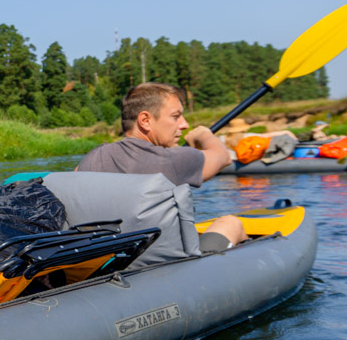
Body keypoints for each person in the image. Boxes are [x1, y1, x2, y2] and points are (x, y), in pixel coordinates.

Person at [76, 82, 246, 252]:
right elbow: (223, 157)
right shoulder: (173, 159)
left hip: (112, 262)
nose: (184, 124)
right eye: (175, 116)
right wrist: (204, 135)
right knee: (231, 223)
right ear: (145, 121)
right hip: (168, 267)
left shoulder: (91, 158)